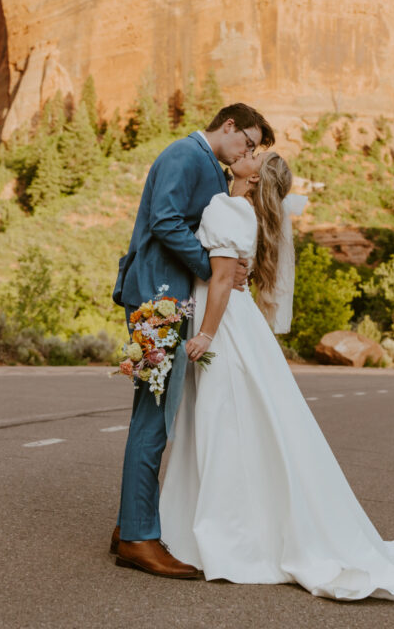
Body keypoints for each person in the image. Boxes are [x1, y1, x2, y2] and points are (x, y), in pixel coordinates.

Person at [158, 150, 394, 604]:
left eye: (254, 156)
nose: (245, 155)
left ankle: (225, 533)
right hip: (236, 324)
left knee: (222, 425)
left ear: (255, 177)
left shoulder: (228, 209)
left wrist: (205, 334)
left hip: (224, 327)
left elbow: (222, 280)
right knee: (236, 426)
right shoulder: (241, 210)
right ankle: (226, 524)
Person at [110, 102, 275, 577]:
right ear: (229, 126)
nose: (248, 151)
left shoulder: (205, 163)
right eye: (248, 142)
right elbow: (164, 220)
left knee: (156, 413)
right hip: (157, 299)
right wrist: (213, 268)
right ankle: (138, 539)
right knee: (154, 417)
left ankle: (130, 526)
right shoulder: (186, 155)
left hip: (168, 298)